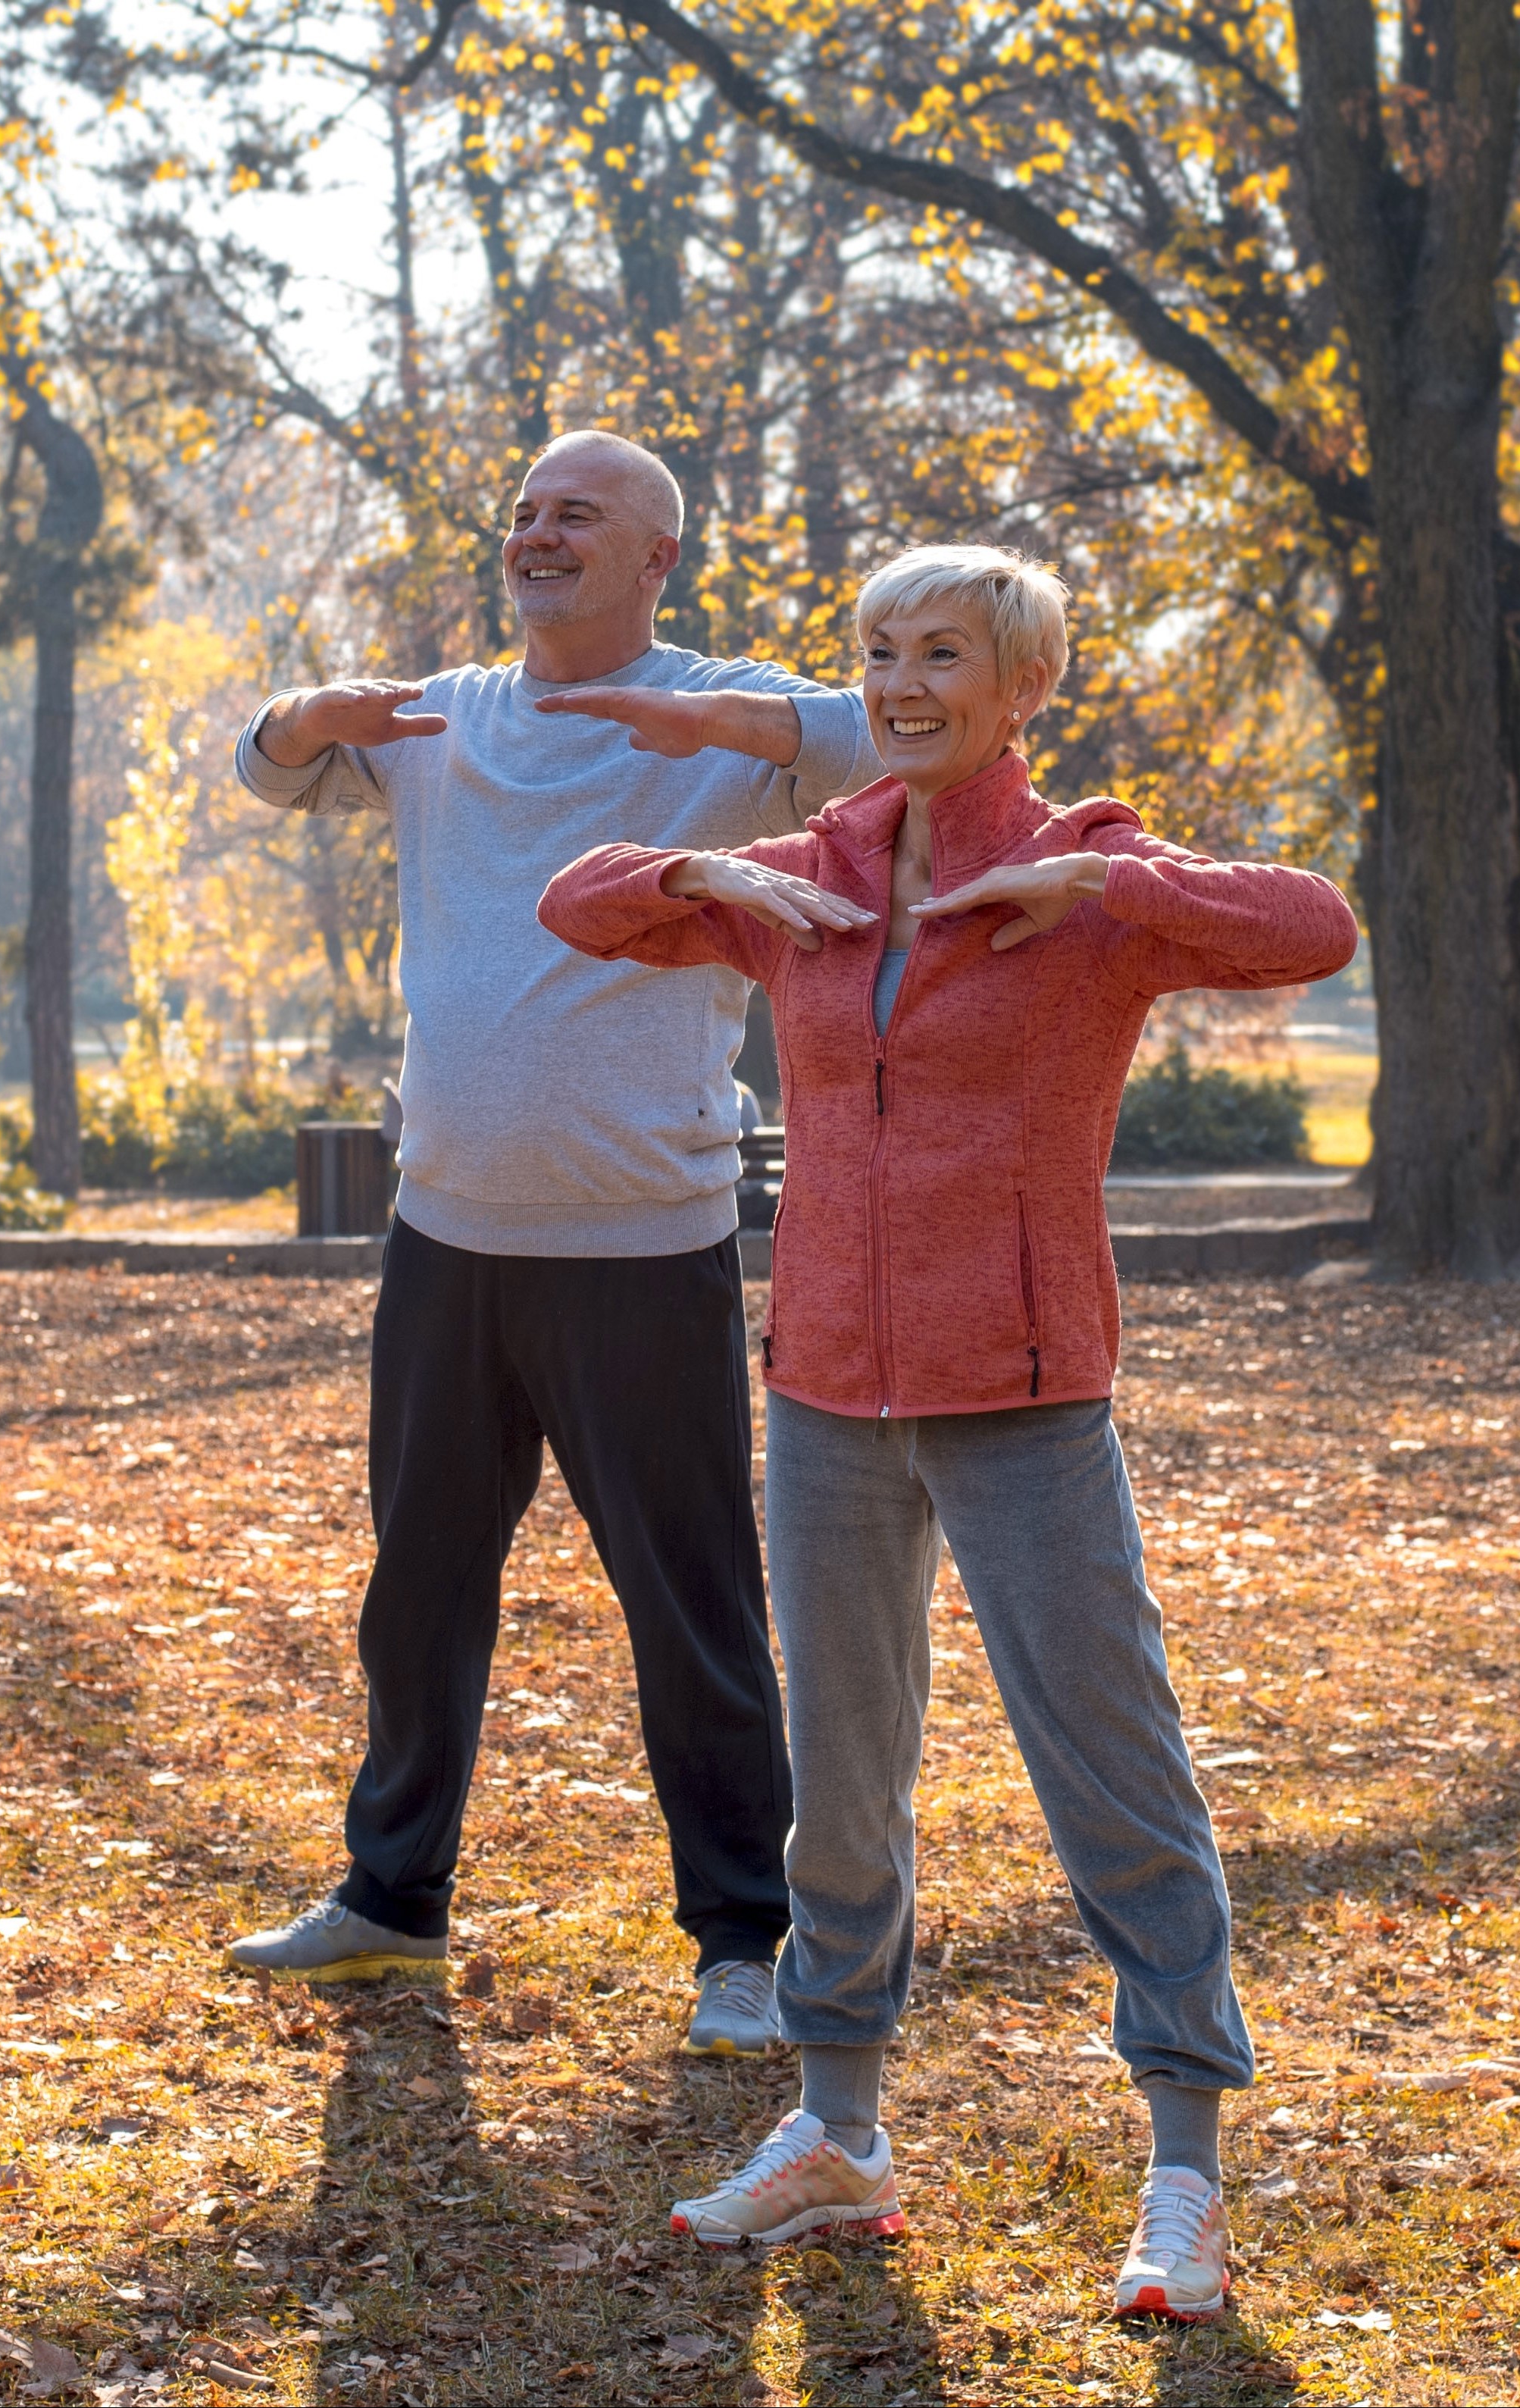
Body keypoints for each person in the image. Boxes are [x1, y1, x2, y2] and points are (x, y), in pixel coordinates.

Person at [538, 544, 1358, 2318]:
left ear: (1021, 686)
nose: (903, 681)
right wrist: (691, 860)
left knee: (1113, 1777)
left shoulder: (1093, 881)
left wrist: (1110, 880)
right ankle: (837, 2132)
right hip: (825, 1391)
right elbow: (580, 905)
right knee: (839, 1788)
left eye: (942, 654)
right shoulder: (804, 877)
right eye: (880, 651)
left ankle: (1185, 2171)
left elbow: (1313, 926)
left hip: (1028, 1395)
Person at [220, 430, 882, 2059]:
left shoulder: (734, 715)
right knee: (417, 1587)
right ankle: (390, 1894)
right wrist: (306, 717)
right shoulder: (446, 716)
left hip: (643, 1245)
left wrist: (711, 723)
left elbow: (904, 737)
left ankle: (744, 1939)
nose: (536, 531)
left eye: (575, 512)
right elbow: (262, 766)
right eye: (523, 511)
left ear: (658, 556)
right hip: (446, 1232)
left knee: (694, 1608)